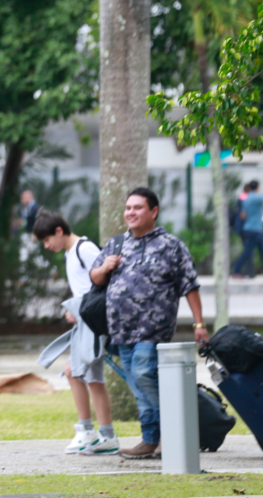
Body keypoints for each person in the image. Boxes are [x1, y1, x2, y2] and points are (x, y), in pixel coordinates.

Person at [90, 188, 210, 459]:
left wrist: (199, 323)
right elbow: (95, 279)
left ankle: (174, 431)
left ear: (153, 212)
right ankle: (150, 439)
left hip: (152, 328)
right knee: (136, 382)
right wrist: (104, 268)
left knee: (144, 373)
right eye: (128, 208)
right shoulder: (116, 244)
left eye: (138, 208)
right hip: (120, 330)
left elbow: (190, 286)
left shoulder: (171, 246)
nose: (130, 212)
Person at [33, 210, 116, 455]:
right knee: (93, 379)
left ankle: (87, 431)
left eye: (48, 240)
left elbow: (103, 282)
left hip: (92, 324)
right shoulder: (71, 253)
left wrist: (82, 310)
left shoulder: (84, 249)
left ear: (59, 231)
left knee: (73, 372)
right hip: (85, 324)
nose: (47, 246)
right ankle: (106, 435)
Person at [232, 180, 263, 277]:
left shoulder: (246, 199)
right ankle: (236, 269)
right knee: (248, 252)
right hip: (256, 229)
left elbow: (243, 215)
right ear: (257, 187)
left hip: (248, 228)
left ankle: (236, 269)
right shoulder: (257, 198)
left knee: (248, 251)